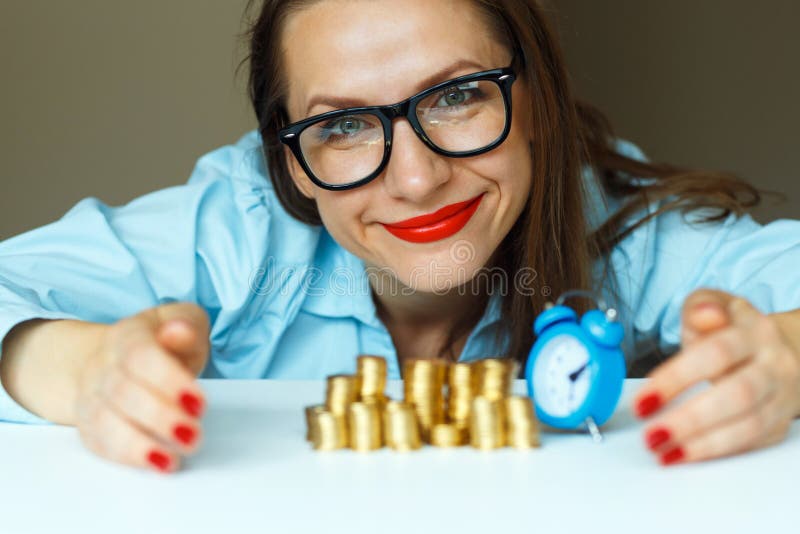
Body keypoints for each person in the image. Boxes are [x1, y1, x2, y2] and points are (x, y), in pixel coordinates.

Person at [0, 0, 798, 474]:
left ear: (538, 100)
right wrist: (85, 370)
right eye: (342, 124)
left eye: (455, 96)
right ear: (292, 163)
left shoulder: (624, 228)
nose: (416, 180)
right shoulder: (237, 224)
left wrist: (785, 356)